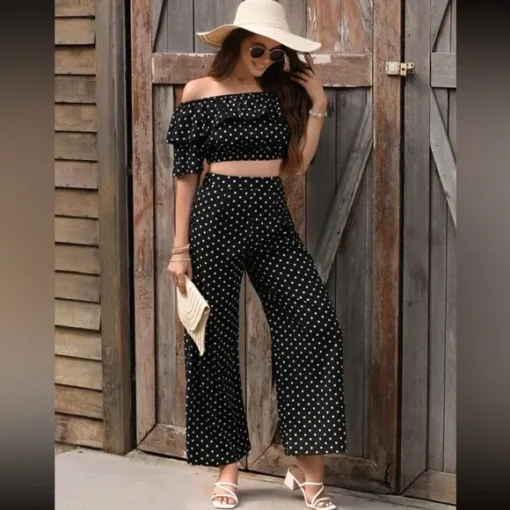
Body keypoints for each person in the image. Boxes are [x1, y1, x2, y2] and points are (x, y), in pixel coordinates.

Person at [166, 1, 346, 508]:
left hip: (270, 217)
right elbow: (185, 176)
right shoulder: (198, 92)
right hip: (215, 216)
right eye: (258, 49)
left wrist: (317, 103)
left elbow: (297, 165)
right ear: (235, 44)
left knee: (314, 325)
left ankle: (308, 470)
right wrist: (179, 248)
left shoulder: (283, 93)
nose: (267, 58)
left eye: (276, 52)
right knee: (213, 341)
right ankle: (228, 466)